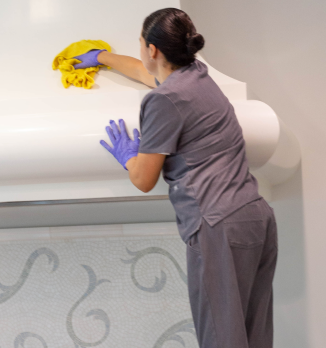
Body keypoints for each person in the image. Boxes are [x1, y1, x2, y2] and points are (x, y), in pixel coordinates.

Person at [75, 8, 278, 348]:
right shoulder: (197, 76)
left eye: (141, 44)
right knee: (254, 339)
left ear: (152, 49)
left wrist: (129, 156)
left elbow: (144, 179)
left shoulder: (164, 101)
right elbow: (142, 71)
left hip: (219, 226)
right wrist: (101, 57)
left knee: (222, 340)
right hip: (255, 216)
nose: (141, 52)